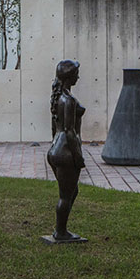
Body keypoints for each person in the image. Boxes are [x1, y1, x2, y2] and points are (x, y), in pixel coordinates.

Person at [47, 59, 86, 242]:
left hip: (56, 149)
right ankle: (60, 232)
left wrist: (53, 147)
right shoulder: (67, 100)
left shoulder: (58, 97)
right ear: (71, 76)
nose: (79, 76)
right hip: (65, 151)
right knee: (66, 194)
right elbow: (70, 131)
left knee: (72, 191)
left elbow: (55, 127)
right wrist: (78, 156)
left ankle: (61, 229)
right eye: (76, 73)